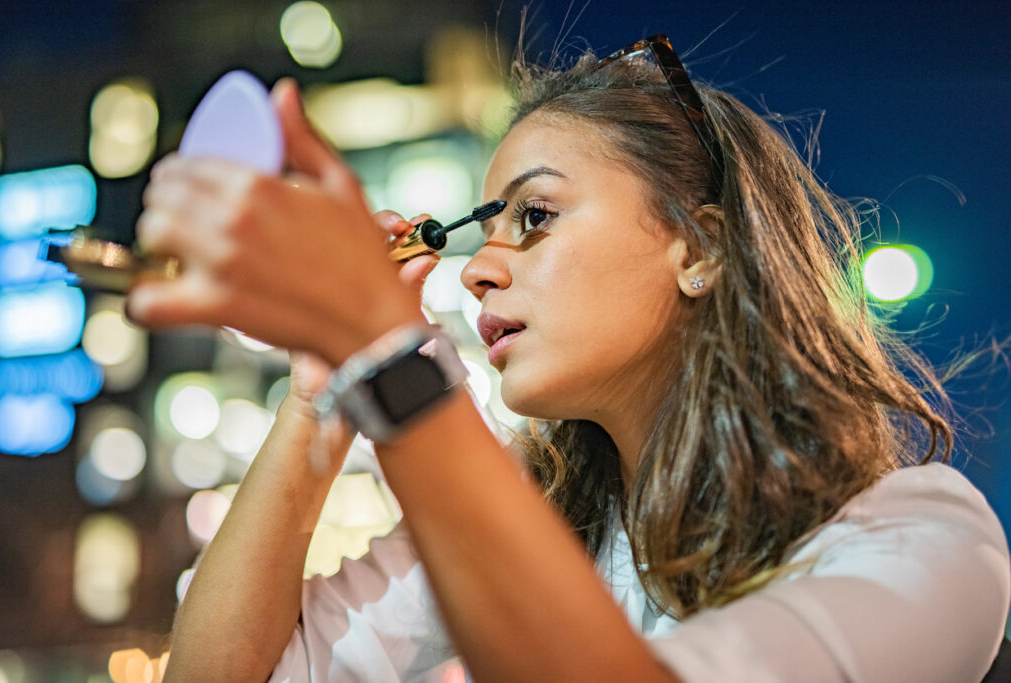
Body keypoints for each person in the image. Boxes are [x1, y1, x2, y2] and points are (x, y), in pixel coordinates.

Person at [128, 34, 1010, 682]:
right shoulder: (548, 525)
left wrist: (381, 354)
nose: (475, 269)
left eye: (536, 217)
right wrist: (318, 394)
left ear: (701, 249)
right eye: (489, 225)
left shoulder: (922, 538)